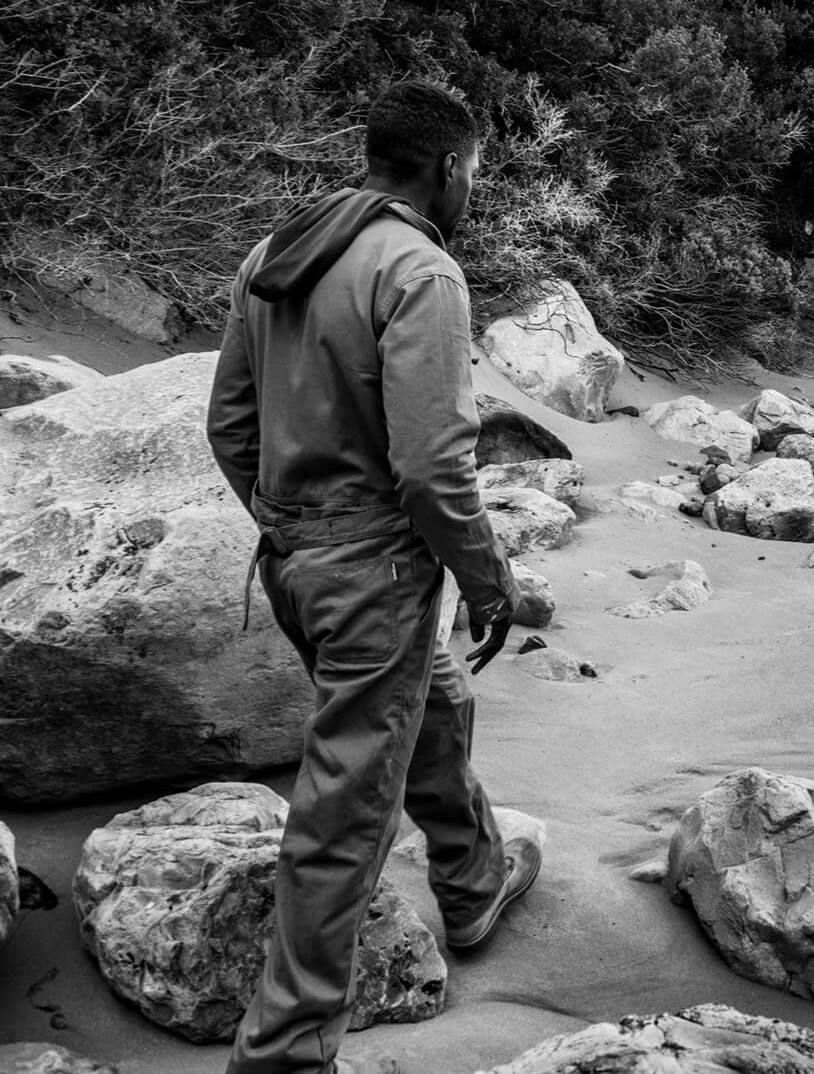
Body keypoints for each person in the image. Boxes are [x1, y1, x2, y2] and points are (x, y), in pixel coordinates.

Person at [207, 81, 540, 1074]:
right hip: (373, 570)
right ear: (446, 169)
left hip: (293, 560)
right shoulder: (419, 272)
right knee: (342, 816)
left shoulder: (276, 254)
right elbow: (434, 467)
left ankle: (474, 879)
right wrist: (490, 583)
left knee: (422, 699)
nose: (472, 188)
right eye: (473, 171)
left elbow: (229, 424)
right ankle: (286, 1052)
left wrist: (292, 527)